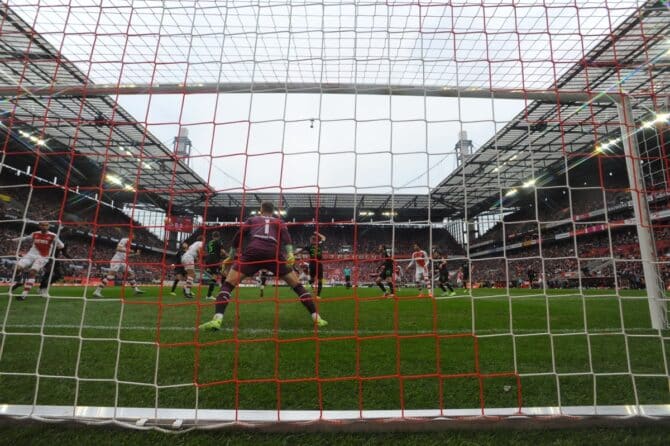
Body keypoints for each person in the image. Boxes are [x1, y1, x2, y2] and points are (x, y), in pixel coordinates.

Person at [199, 201, 327, 331]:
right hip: (273, 253)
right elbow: (286, 237)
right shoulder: (279, 221)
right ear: (273, 211)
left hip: (253, 252)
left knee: (228, 284)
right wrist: (289, 253)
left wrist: (231, 256)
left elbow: (239, 235)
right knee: (297, 286)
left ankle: (217, 319)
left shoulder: (252, 219)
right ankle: (317, 318)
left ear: (261, 210)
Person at [10, 221, 64, 300]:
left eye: (46, 225)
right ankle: (20, 280)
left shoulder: (53, 236)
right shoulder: (35, 234)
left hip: (43, 257)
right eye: (42, 225)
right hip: (30, 255)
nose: (44, 226)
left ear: (48, 226)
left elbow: (61, 246)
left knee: (32, 272)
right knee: (16, 268)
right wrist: (13, 240)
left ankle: (23, 295)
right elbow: (25, 238)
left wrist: (53, 251)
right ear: (39, 226)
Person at [298, 232, 326, 299]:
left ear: (313, 240)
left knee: (315, 280)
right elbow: (324, 238)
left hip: (314, 264)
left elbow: (300, 250)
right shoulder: (315, 245)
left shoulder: (313, 245)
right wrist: (318, 233)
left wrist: (293, 254)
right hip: (317, 264)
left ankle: (315, 293)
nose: (310, 241)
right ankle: (317, 295)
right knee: (317, 280)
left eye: (310, 240)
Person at [205, 231, 227, 300]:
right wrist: (228, 256)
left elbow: (209, 251)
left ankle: (222, 291)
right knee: (215, 276)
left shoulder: (209, 243)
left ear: (212, 236)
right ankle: (209, 295)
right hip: (214, 260)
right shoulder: (218, 241)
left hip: (208, 259)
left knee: (223, 273)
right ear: (219, 236)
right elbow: (223, 251)